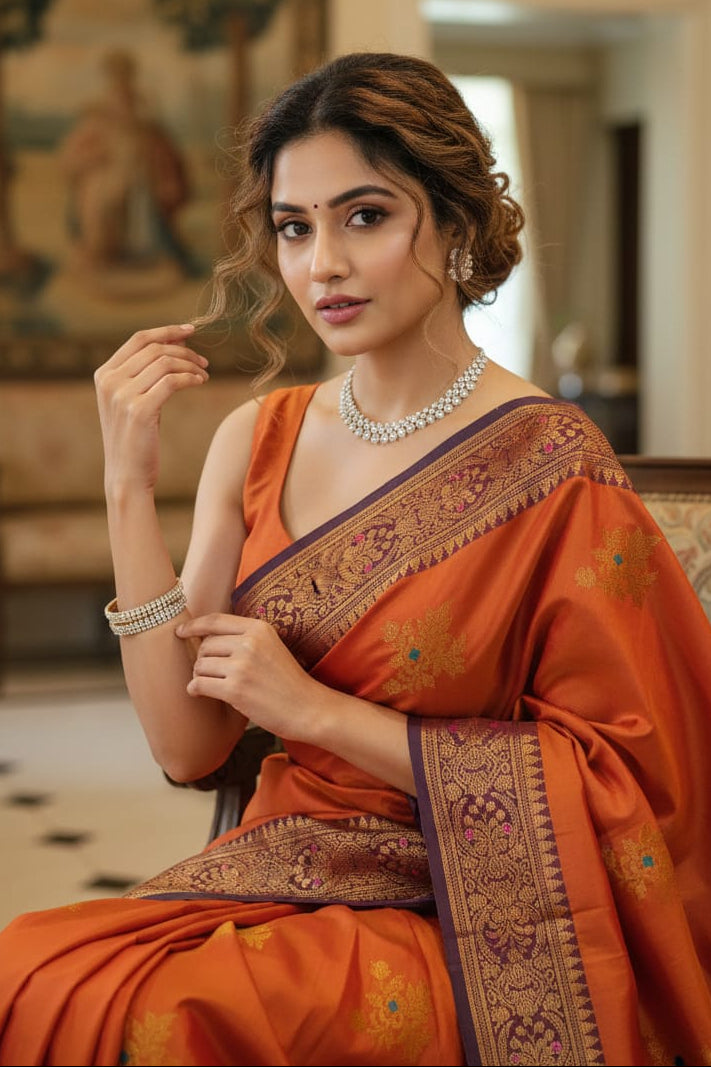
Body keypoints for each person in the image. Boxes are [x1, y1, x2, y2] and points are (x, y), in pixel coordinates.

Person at [1, 50, 710, 1067]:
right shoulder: (263, 435)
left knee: (173, 1020)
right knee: (27, 969)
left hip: (464, 909)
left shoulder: (553, 464)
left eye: (364, 216)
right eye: (295, 227)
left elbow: (635, 779)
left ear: (456, 224)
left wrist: (316, 712)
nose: (320, 264)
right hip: (279, 872)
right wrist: (127, 482)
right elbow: (187, 747)